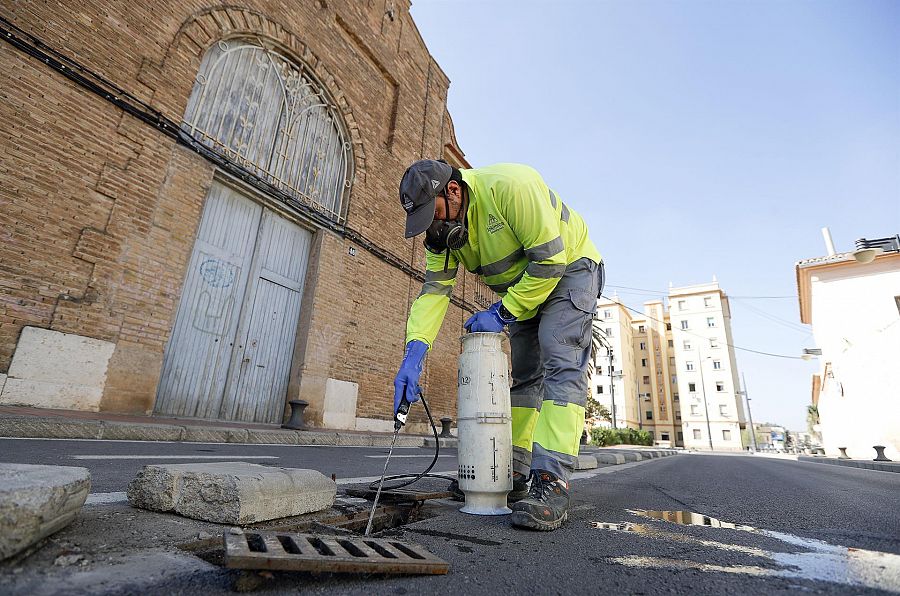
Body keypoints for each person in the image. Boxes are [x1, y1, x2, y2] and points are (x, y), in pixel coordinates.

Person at [393, 160, 604, 531]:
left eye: (434, 215)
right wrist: (414, 354)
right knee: (525, 375)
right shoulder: (442, 238)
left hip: (569, 268)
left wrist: (502, 312)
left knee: (560, 358)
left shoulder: (510, 187)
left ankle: (551, 479)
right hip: (525, 287)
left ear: (453, 191)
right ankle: (515, 471)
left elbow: (550, 261)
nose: (433, 229)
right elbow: (434, 293)